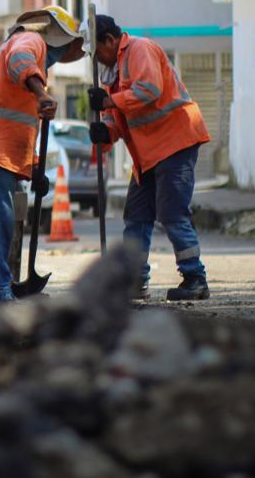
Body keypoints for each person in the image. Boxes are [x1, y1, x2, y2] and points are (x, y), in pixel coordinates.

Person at [0, 5, 86, 306]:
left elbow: (23, 122)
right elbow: (20, 61)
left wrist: (36, 167)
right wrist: (41, 93)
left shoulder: (34, 59)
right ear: (60, 39)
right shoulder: (30, 42)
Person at [86, 15, 211, 300]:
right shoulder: (111, 76)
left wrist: (109, 101)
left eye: (97, 51)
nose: (96, 60)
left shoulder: (140, 50)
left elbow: (149, 90)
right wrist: (103, 132)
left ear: (109, 40)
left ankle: (195, 278)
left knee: (172, 213)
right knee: (137, 217)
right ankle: (134, 280)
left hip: (175, 142)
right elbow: (115, 122)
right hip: (147, 155)